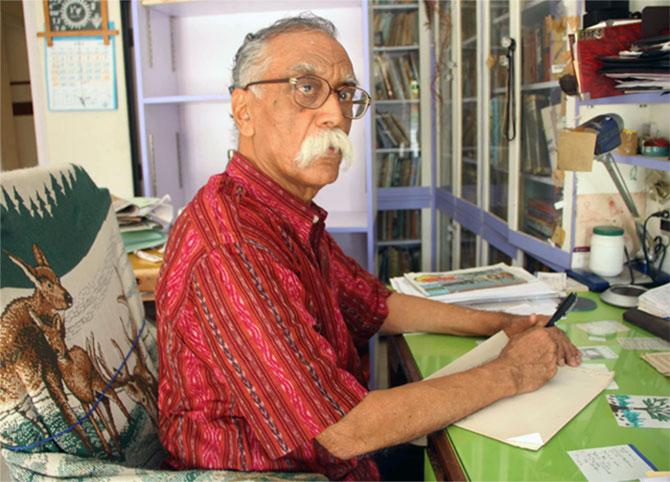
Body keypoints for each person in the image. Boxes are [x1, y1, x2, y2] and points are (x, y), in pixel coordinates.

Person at [156, 14, 581, 481]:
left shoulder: (281, 212)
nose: (336, 114)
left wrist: (504, 326)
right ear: (244, 109)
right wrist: (513, 372)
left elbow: (376, 306)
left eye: (343, 94)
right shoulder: (233, 246)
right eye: (306, 87)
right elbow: (344, 429)